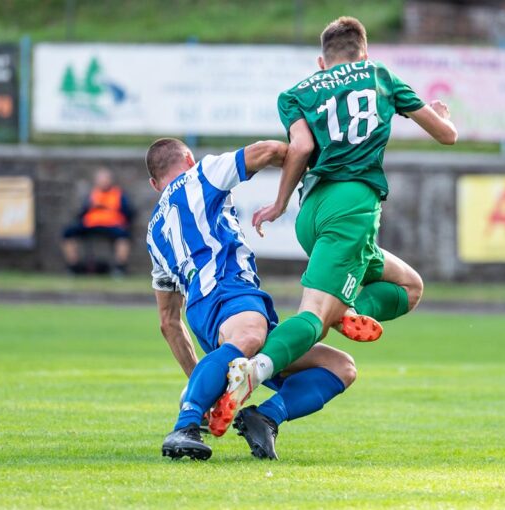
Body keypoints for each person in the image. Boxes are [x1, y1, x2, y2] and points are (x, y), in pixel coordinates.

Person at [217, 16, 458, 425]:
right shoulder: (379, 75)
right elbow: (446, 135)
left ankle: (349, 312)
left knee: (409, 286)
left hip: (312, 212)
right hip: (351, 208)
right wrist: (441, 113)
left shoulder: (296, 93)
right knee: (314, 316)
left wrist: (279, 204)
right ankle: (253, 371)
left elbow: (301, 147)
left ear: (321, 62)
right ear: (363, 54)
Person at [145, 138, 373, 460]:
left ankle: (264, 417)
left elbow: (169, 323)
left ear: (154, 184)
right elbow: (269, 150)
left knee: (340, 367)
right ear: (189, 158)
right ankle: (185, 425)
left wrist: (203, 380)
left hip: (205, 314)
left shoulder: (154, 234)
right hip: (228, 289)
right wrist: (309, 166)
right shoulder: (201, 173)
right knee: (251, 335)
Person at [61, 167, 134, 275]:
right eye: (100, 178)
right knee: (68, 233)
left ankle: (120, 268)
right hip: (91, 224)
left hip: (111, 225)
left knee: (124, 236)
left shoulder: (119, 194)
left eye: (105, 178)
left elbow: (128, 213)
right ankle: (73, 267)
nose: (103, 181)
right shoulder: (92, 194)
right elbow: (82, 212)